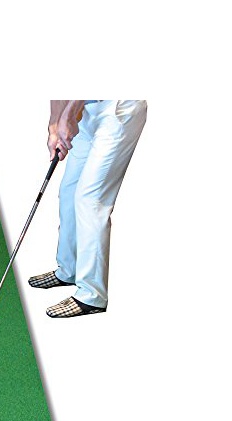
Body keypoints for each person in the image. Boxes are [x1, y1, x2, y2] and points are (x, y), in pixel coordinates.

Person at [28, 100, 147, 317]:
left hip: (118, 110)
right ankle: (69, 270)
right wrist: (54, 127)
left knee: (90, 200)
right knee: (69, 191)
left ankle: (92, 296)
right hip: (88, 111)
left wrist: (68, 117)